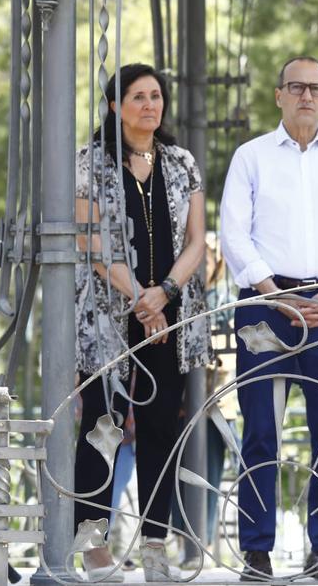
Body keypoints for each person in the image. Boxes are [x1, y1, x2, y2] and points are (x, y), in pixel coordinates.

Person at [220, 56, 318, 582]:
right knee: (261, 430)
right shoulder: (251, 157)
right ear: (278, 94)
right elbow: (234, 234)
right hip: (265, 306)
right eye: (296, 87)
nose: (307, 96)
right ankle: (257, 550)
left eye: (316, 88)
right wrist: (271, 291)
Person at [73, 63, 210, 583]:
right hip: (109, 314)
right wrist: (139, 297)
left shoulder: (181, 162)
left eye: (156, 96)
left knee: (159, 429)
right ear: (114, 106)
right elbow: (88, 240)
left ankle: (155, 548)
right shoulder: (90, 162)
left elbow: (197, 239)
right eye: (138, 96)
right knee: (101, 427)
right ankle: (94, 545)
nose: (150, 105)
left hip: (168, 317)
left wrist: (165, 293)